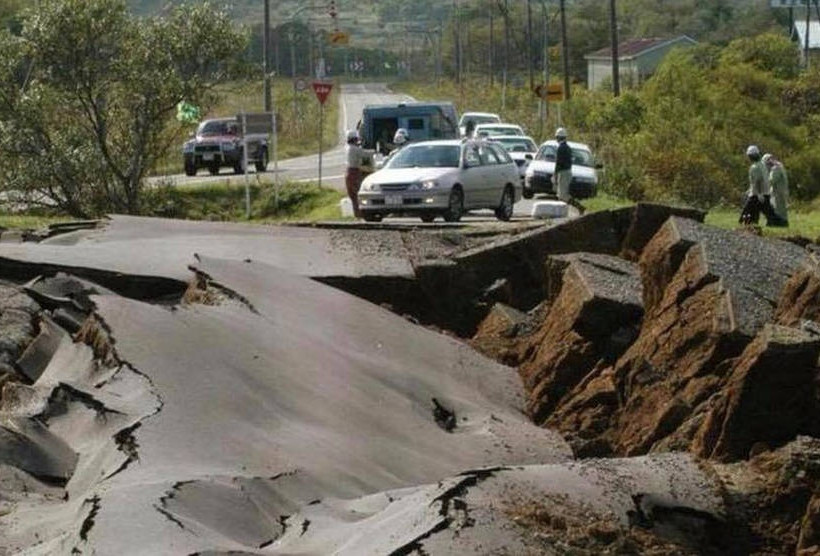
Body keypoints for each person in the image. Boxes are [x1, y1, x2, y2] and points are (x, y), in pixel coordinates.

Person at [553, 127, 585, 214]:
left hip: (563, 172)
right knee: (562, 194)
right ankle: (563, 211)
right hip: (568, 171)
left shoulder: (560, 148)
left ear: (559, 137)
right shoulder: (568, 147)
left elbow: (558, 163)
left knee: (563, 195)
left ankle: (579, 207)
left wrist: (555, 175)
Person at [345, 129, 373, 218]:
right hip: (354, 172)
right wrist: (374, 151)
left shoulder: (348, 148)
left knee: (353, 196)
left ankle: (357, 215)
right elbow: (364, 154)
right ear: (354, 139)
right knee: (357, 194)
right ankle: (360, 214)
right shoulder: (354, 149)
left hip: (348, 171)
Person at [739, 145, 768, 225]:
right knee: (755, 215)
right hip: (762, 193)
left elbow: (757, 182)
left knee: (745, 214)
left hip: (756, 195)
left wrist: (758, 194)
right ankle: (753, 230)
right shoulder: (762, 165)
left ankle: (746, 230)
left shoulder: (754, 167)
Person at [762, 153, 789, 227]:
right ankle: (779, 224)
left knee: (778, 209)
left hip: (778, 192)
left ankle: (779, 224)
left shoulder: (776, 168)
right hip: (780, 191)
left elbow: (771, 180)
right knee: (780, 209)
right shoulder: (779, 165)